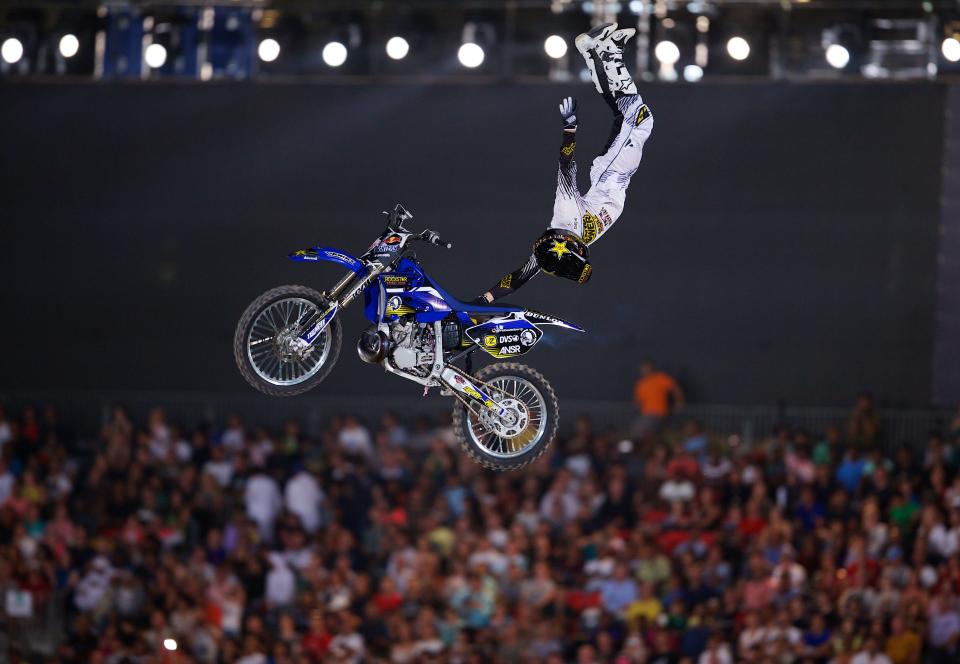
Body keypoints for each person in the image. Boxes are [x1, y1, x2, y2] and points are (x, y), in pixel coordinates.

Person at [476, 22, 654, 302]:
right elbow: (518, 278)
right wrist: (480, 302)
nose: (579, 250)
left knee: (640, 120)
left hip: (611, 178)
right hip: (614, 180)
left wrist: (570, 129)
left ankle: (605, 52)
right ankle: (602, 52)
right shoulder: (549, 254)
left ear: (563, 241)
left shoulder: (565, 210)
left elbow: (567, 165)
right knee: (626, 117)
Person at [633, 359, 684, 435]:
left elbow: (675, 389)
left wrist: (679, 402)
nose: (645, 370)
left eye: (647, 367)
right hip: (646, 414)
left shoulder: (661, 378)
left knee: (640, 430)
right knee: (638, 430)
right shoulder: (640, 384)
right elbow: (638, 400)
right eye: (644, 368)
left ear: (652, 367)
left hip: (659, 412)